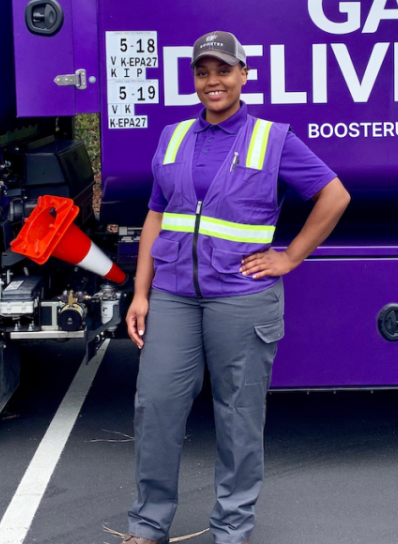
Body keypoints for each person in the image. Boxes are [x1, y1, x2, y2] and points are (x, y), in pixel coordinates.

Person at [123, 31, 351, 544]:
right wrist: (142, 292)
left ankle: (232, 528)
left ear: (244, 75)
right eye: (203, 73)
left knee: (238, 416)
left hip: (242, 297)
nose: (213, 82)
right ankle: (148, 523)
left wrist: (290, 256)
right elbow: (156, 216)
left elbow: (335, 196)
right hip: (176, 294)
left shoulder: (273, 137)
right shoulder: (174, 136)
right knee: (156, 406)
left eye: (223, 71)